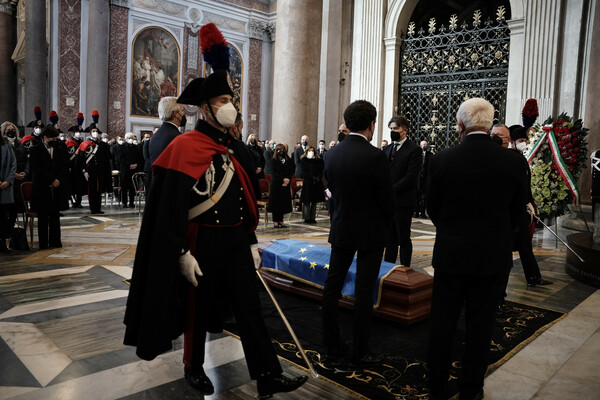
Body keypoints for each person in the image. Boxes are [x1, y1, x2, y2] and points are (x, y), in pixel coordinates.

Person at [123, 62, 307, 397]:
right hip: (201, 239)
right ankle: (193, 366)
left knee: (250, 306)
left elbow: (244, 196)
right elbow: (169, 209)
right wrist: (181, 251)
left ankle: (268, 373)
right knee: (198, 307)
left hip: (236, 240)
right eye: (222, 100)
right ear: (205, 108)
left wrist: (251, 241)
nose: (230, 106)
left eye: (231, 99)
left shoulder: (234, 147)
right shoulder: (183, 146)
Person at [425, 98, 527, 400]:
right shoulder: (513, 162)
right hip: (492, 257)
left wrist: (453, 231)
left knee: (442, 323)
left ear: (460, 125)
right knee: (481, 326)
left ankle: (437, 385)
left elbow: (432, 208)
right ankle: (471, 388)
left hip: (451, 255)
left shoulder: (442, 159)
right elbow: (516, 212)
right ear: (490, 124)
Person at [322, 100, 394, 365]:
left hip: (341, 227)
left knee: (332, 286)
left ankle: (331, 345)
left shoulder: (332, 154)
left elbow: (331, 189)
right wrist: (383, 224)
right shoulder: (376, 156)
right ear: (371, 124)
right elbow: (387, 201)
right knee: (364, 291)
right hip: (370, 232)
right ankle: (360, 350)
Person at [506, 125, 553, 287]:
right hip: (510, 211)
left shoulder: (521, 158)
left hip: (521, 209)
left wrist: (529, 203)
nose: (524, 143)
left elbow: (525, 185)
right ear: (511, 141)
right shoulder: (509, 158)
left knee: (525, 245)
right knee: (507, 250)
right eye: (520, 140)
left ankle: (533, 277)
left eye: (525, 140)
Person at [382, 115, 421, 267]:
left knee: (403, 237)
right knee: (389, 239)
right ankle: (388, 269)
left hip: (403, 201)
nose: (393, 131)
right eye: (391, 129)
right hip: (388, 201)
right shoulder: (386, 149)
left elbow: (411, 176)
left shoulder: (414, 150)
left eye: (395, 128)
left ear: (404, 130)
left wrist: (390, 190)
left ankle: (405, 268)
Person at [29, 126, 69, 249]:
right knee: (43, 217)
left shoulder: (60, 148)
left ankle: (55, 242)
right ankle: (43, 243)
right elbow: (37, 169)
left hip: (57, 187)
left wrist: (58, 180)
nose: (55, 140)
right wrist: (51, 180)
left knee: (55, 216)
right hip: (42, 187)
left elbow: (64, 166)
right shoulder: (35, 150)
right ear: (45, 137)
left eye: (56, 138)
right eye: (53, 138)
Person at [145, 96, 185, 195]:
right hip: (170, 191)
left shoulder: (155, 136)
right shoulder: (177, 137)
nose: (183, 114)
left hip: (156, 188)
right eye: (182, 110)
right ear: (175, 113)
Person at [76, 113, 112, 214]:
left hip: (100, 171)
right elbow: (80, 160)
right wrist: (84, 171)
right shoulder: (84, 144)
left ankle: (98, 208)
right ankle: (93, 208)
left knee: (99, 190)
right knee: (91, 191)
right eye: (93, 131)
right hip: (90, 171)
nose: (95, 133)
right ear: (90, 133)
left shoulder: (103, 145)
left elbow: (107, 158)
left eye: (96, 131)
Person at [2, 122, 28, 247]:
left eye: (13, 130)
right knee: (4, 213)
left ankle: (11, 236)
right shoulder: (4, 144)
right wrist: (12, 176)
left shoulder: (20, 144)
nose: (11, 131)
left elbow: (24, 160)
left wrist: (25, 172)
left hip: (18, 184)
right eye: (8, 130)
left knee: (14, 211)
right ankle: (3, 237)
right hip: (7, 181)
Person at [267, 143, 294, 228]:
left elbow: (292, 170)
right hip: (276, 184)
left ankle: (281, 220)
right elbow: (274, 173)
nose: (280, 152)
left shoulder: (288, 160)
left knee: (283, 203)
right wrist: (283, 179)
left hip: (285, 184)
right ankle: (275, 220)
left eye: (282, 150)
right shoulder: (273, 160)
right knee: (276, 203)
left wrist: (288, 179)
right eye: (279, 150)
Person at [0, 125, 17, 253]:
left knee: (4, 217)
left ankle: (3, 243)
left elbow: (13, 163)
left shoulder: (6, 144)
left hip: (5, 186)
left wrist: (8, 180)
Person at [299, 146, 324, 223]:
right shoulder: (304, 160)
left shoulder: (319, 160)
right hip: (308, 182)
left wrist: (318, 178)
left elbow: (321, 170)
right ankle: (307, 218)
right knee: (307, 201)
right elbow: (303, 172)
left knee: (314, 201)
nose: (311, 152)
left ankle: (313, 218)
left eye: (312, 150)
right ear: (306, 151)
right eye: (309, 150)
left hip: (317, 183)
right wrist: (312, 177)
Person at [120, 133, 142, 208]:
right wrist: (128, 165)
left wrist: (136, 165)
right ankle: (124, 202)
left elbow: (140, 158)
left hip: (134, 170)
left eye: (132, 138)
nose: (131, 139)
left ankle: (132, 202)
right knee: (124, 187)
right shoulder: (122, 147)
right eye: (129, 138)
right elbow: (121, 159)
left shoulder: (136, 147)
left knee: (133, 187)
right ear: (126, 139)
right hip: (125, 170)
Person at [416, 140, 432, 218]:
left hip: (425, 179)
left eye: (425, 144)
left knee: (424, 197)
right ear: (420, 146)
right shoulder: (416, 155)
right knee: (416, 196)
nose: (424, 146)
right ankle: (416, 212)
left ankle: (422, 212)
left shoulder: (430, 155)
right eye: (423, 144)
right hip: (417, 179)